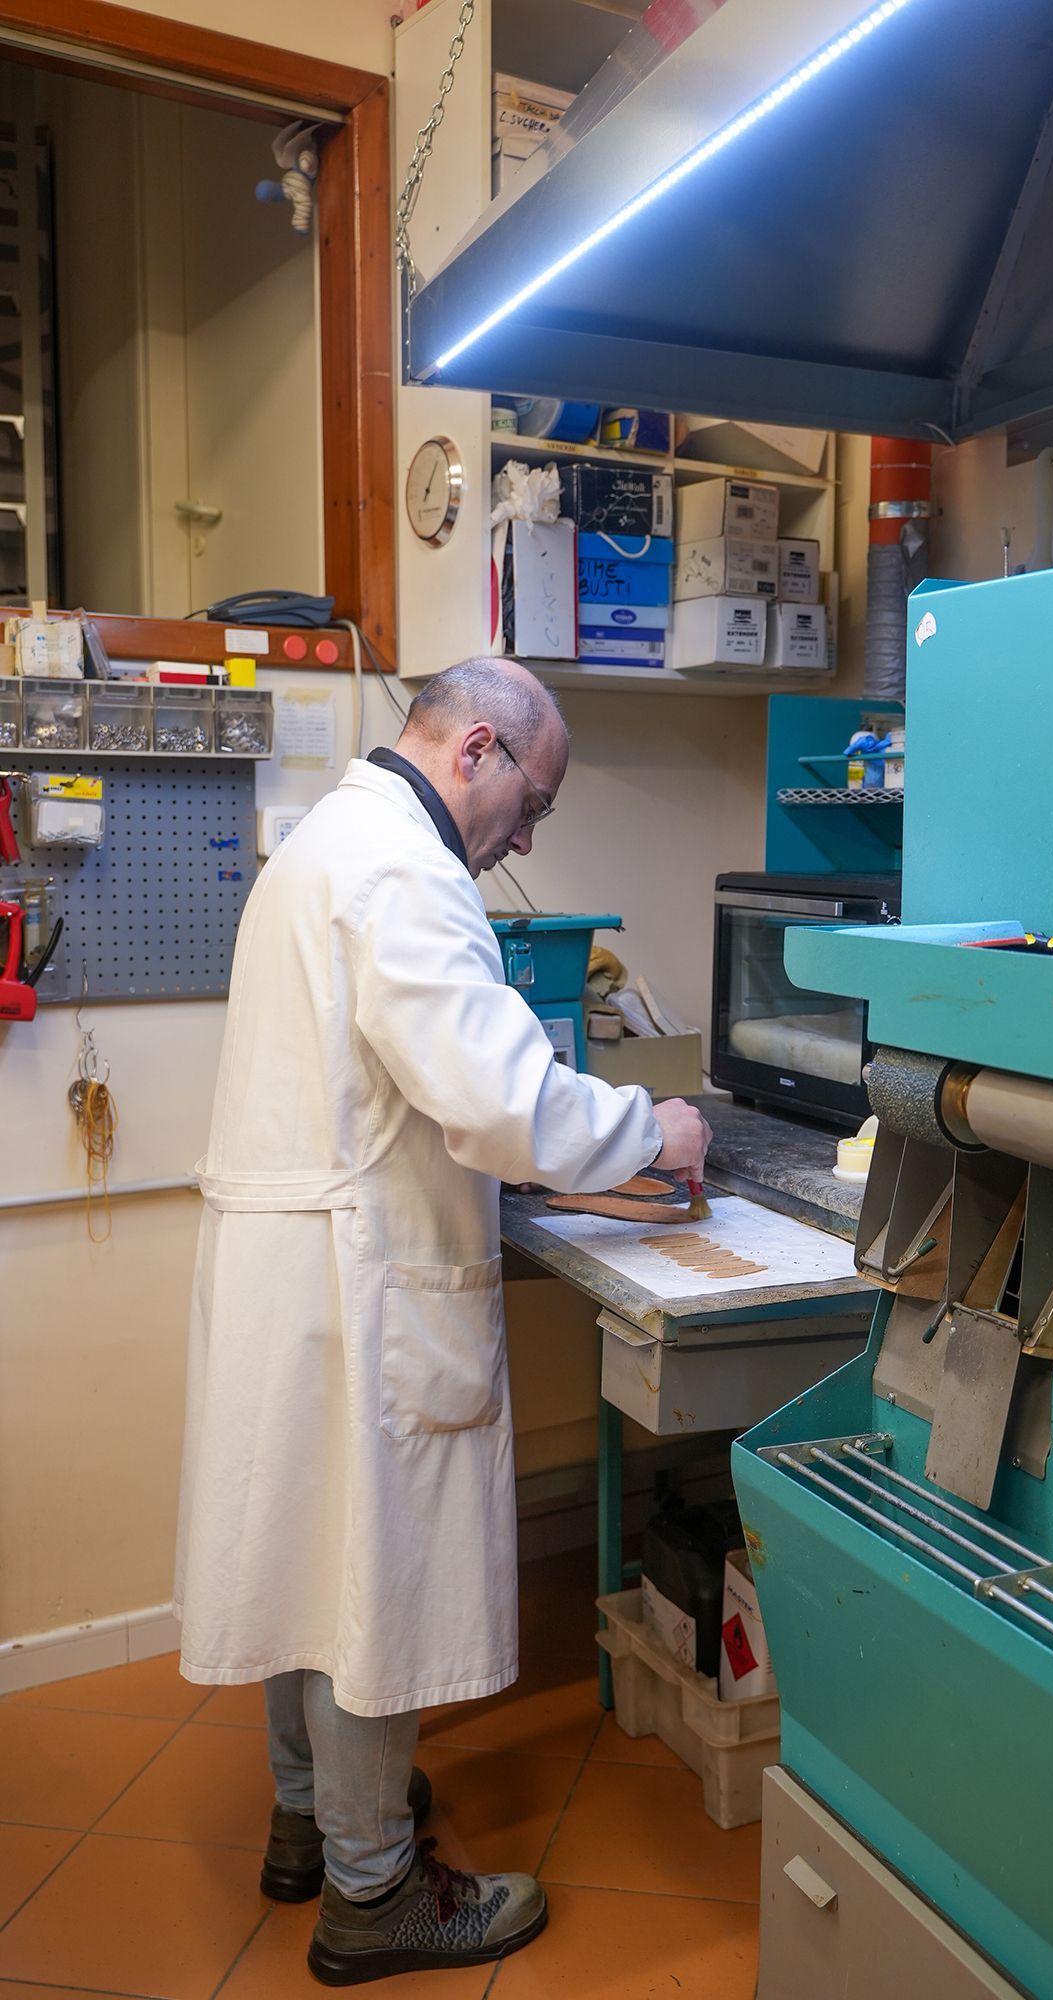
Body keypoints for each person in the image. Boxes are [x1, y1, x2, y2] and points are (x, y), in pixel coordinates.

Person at [174, 657, 712, 1985]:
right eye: (535, 803)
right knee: (371, 1584)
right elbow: (499, 1095)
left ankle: (309, 1822)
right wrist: (655, 1127)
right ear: (477, 748)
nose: (526, 839)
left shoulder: (325, 842)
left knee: (305, 1560)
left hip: (295, 1270)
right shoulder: (407, 872)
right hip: (357, 1281)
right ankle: (374, 1895)